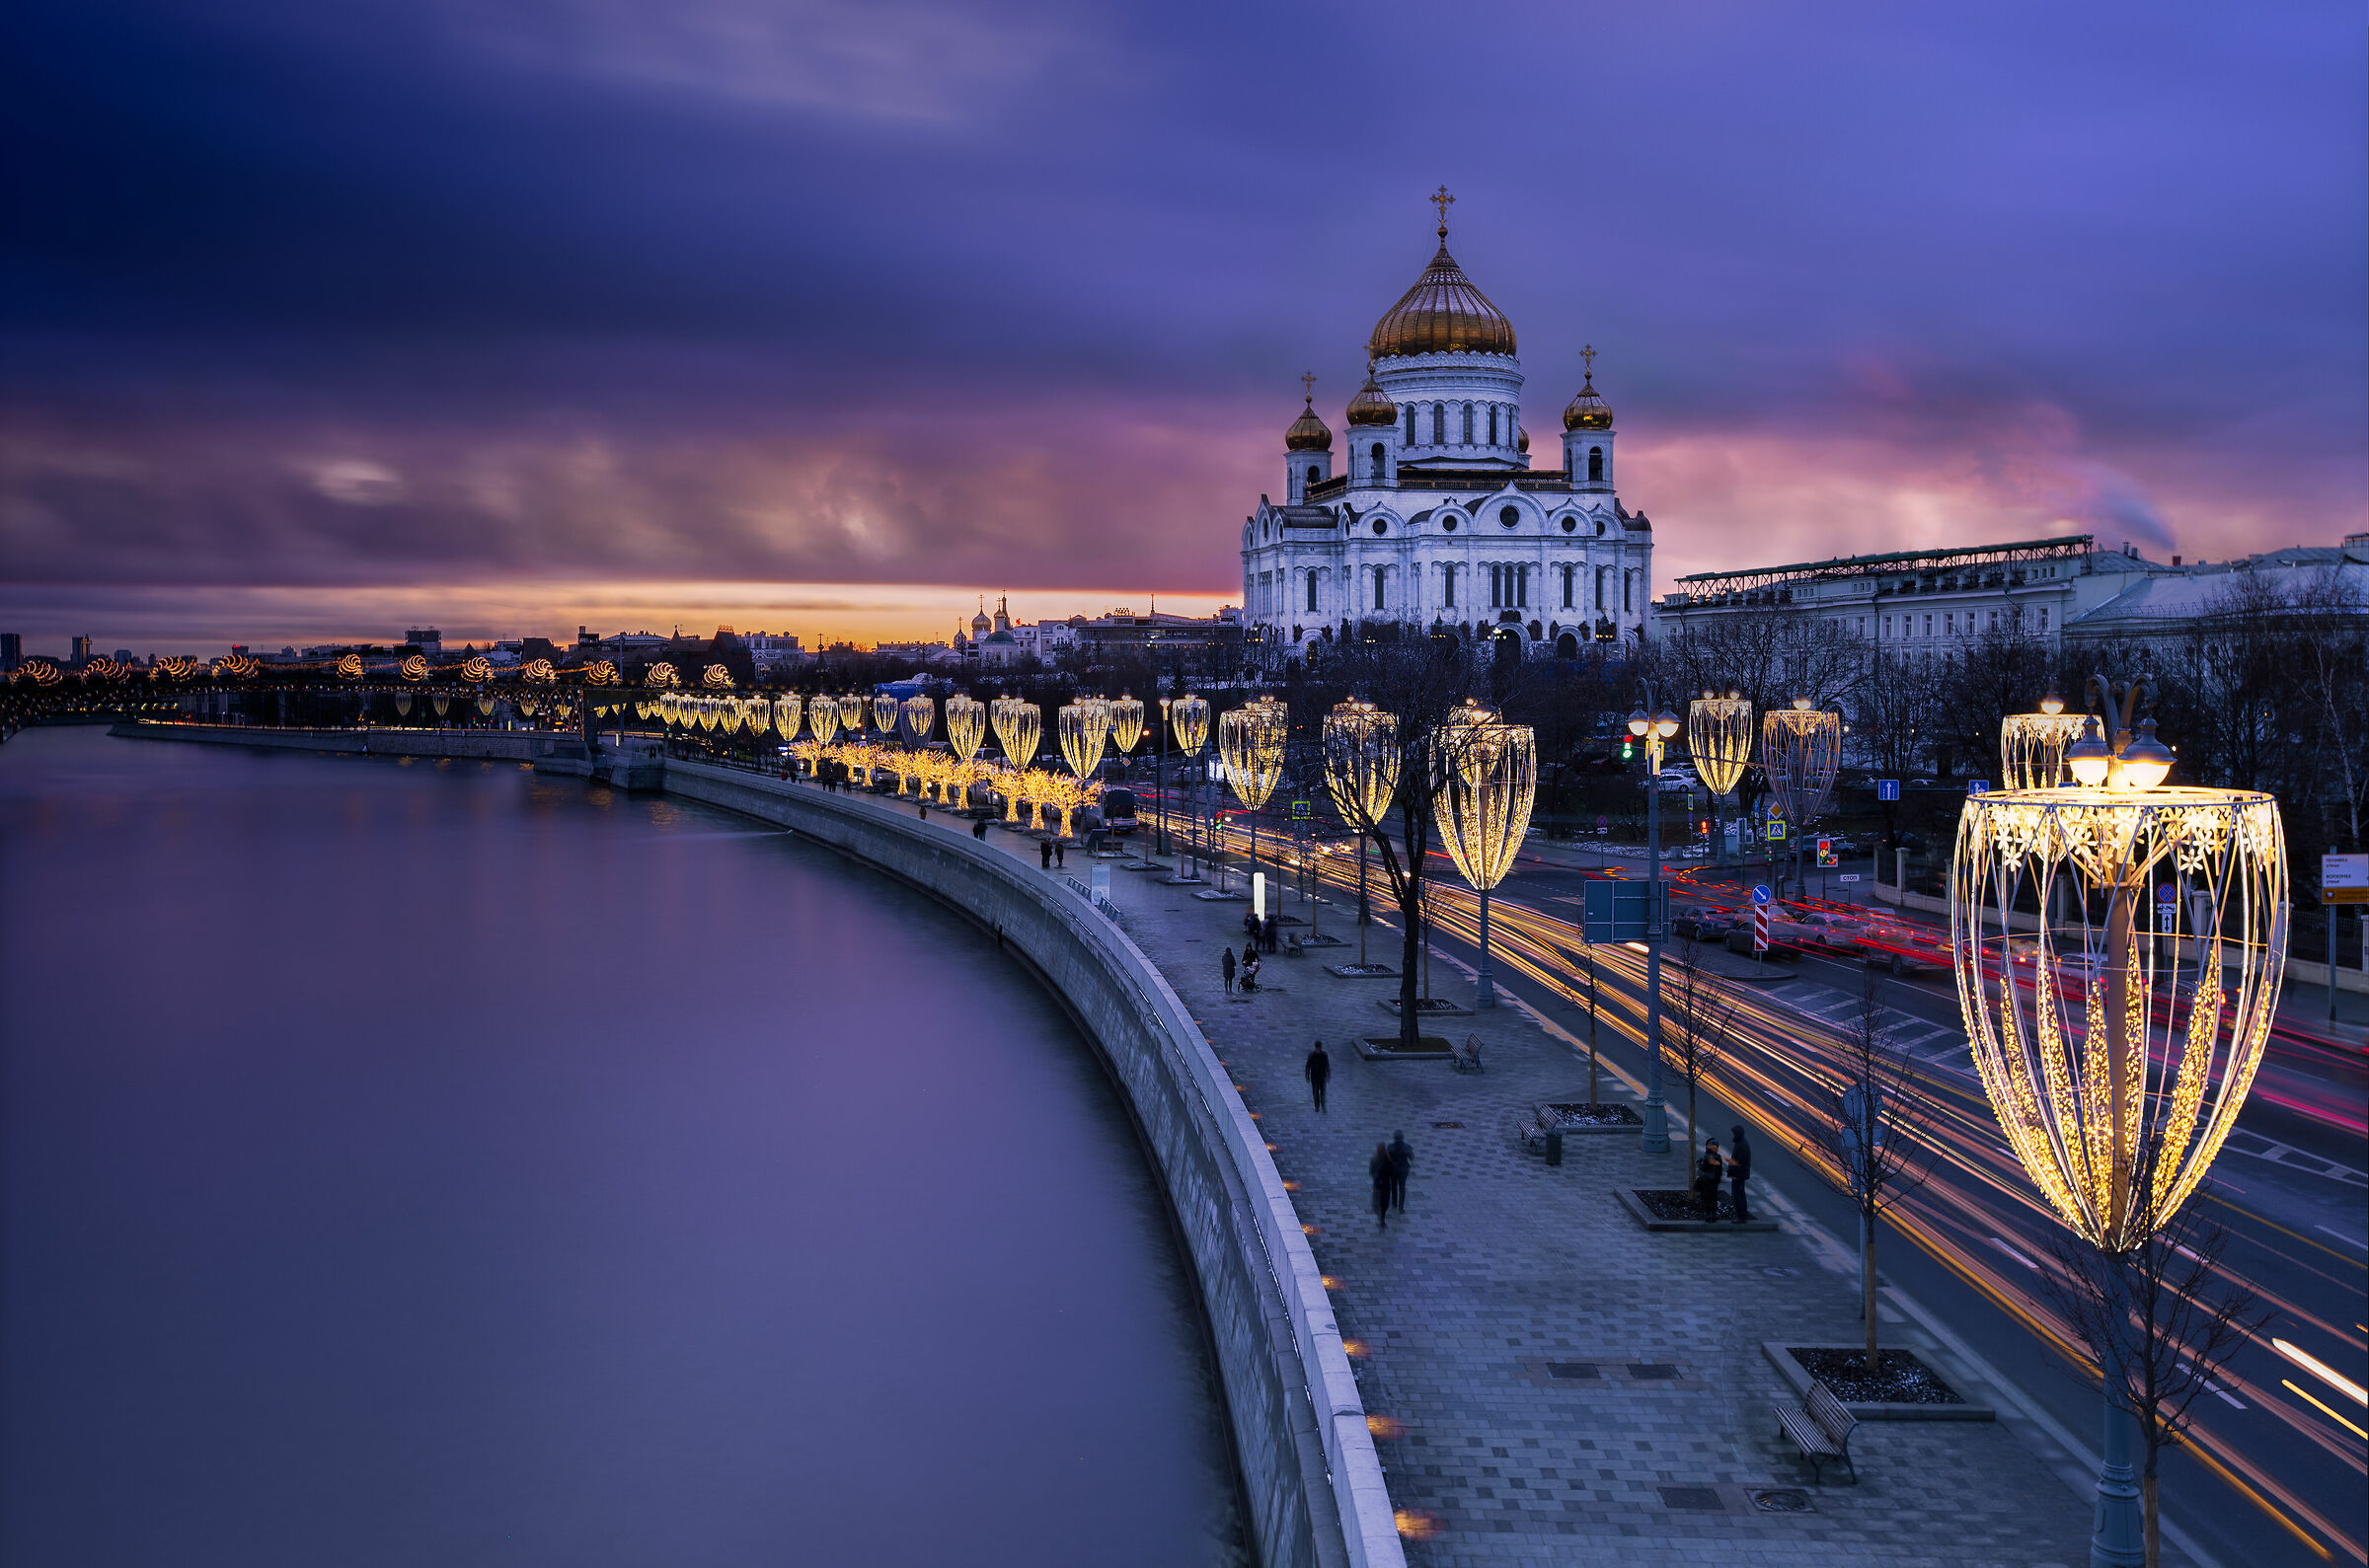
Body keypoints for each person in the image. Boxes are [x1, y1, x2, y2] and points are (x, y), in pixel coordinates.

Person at [1727, 1125, 1753, 1223]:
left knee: (1738, 1195)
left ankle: (1741, 1216)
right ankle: (1741, 1215)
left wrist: (1731, 1170)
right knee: (1739, 1194)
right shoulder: (1741, 1143)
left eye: (1733, 1134)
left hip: (1738, 1175)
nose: (1732, 1136)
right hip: (1739, 1174)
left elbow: (1739, 1162)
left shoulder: (1741, 1146)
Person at [1694, 1138, 1725, 1218]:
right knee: (1713, 1197)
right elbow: (1720, 1170)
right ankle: (1713, 1214)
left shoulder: (1707, 1156)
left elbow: (1703, 1168)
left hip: (1707, 1180)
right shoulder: (1718, 1157)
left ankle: (1708, 1214)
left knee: (1707, 1198)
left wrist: (1700, 1163)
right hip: (1714, 1181)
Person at [1370, 1143, 1395, 1230]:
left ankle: (1380, 1215)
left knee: (1376, 1202)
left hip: (1377, 1184)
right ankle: (1382, 1218)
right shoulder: (1389, 1160)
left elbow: (1371, 1172)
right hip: (1386, 1184)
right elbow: (1392, 1173)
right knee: (1384, 1203)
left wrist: (1376, 1177)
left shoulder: (1374, 1160)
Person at [1388, 1131, 1412, 1212]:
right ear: (1402, 1137)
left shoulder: (1390, 1147)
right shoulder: (1407, 1146)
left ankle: (1394, 1203)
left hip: (1393, 1170)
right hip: (1403, 1170)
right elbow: (1411, 1157)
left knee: (1393, 1186)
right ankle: (1401, 1207)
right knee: (1402, 1188)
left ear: (1394, 1138)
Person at [1304, 1040, 1330, 1111]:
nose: (1318, 1050)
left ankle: (1323, 1104)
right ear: (1315, 1048)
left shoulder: (1324, 1055)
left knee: (1322, 1092)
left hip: (1322, 1076)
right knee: (1315, 1092)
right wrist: (1307, 1075)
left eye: (1319, 1048)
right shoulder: (1311, 1055)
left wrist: (1328, 1075)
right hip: (1314, 1077)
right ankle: (1317, 1106)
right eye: (1317, 1048)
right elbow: (1308, 1066)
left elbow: (1327, 1065)